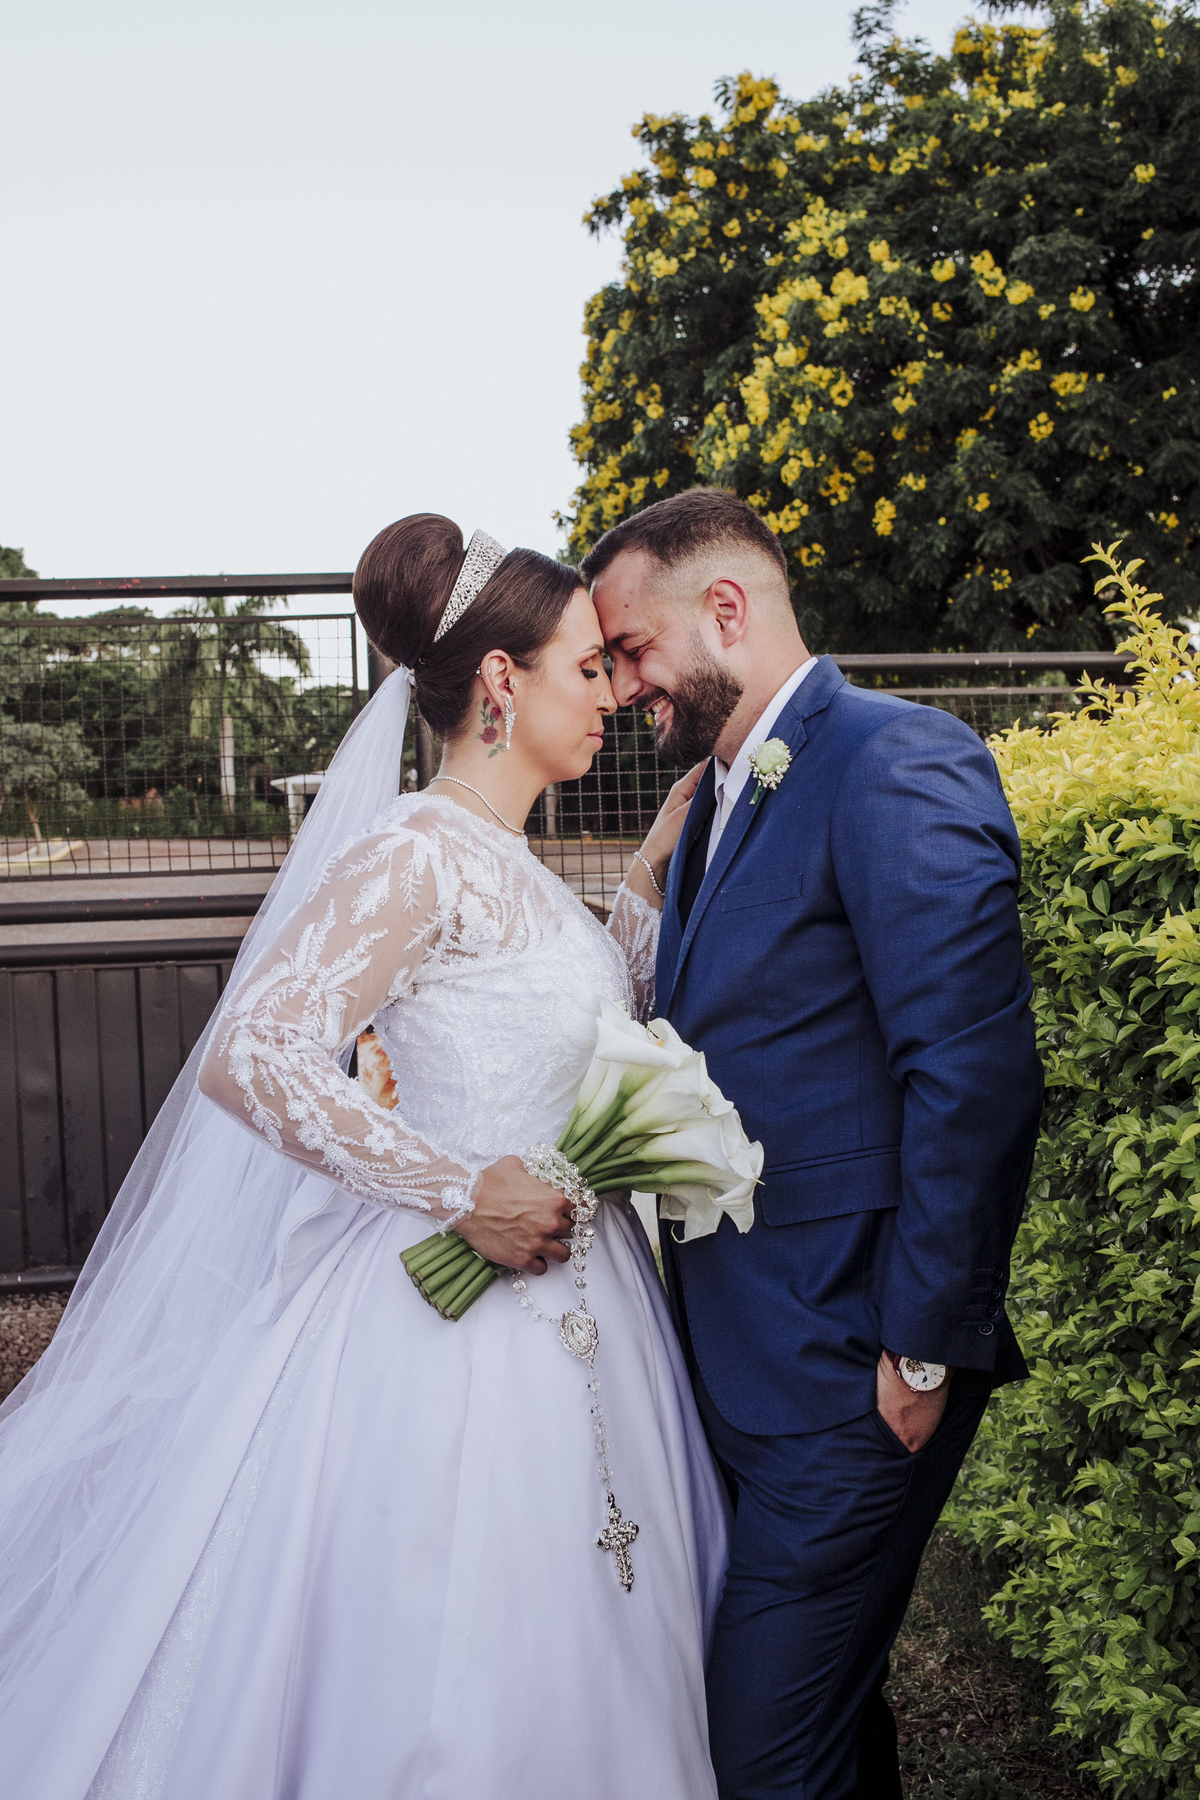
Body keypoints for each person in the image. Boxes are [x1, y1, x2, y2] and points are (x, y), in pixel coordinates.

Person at [0, 516, 727, 1800]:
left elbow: (560, 1038)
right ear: (500, 681)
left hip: (589, 1299)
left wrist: (641, 890)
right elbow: (255, 1054)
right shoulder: (415, 851)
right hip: (457, 1327)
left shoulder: (512, 861)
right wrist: (462, 1188)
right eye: (583, 668)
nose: (612, 694)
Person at [583, 488, 1044, 1800]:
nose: (622, 685)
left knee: (760, 1754)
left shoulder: (896, 760)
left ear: (725, 608)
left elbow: (973, 1075)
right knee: (829, 1728)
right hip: (743, 1362)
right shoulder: (713, 799)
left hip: (854, 1374)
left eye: (632, 650)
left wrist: (921, 1349)